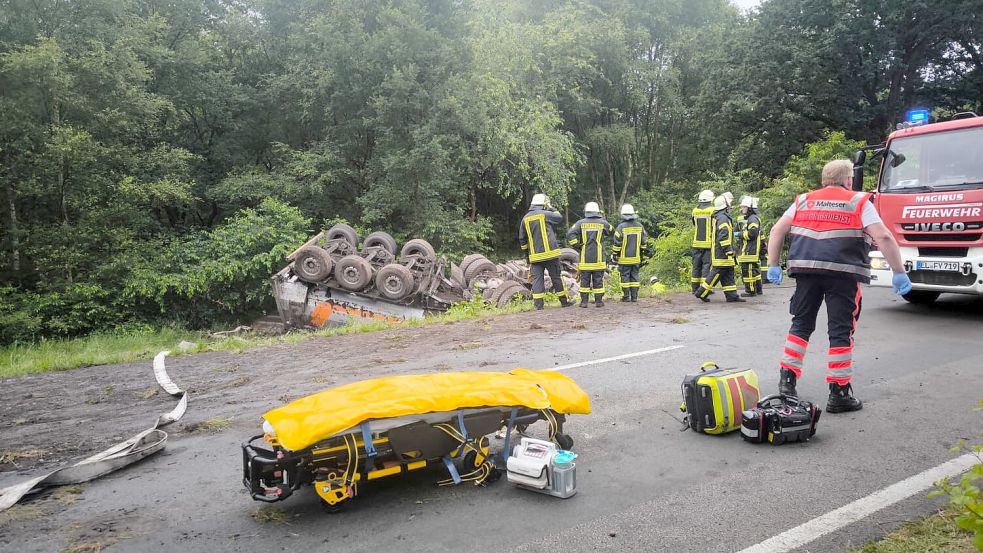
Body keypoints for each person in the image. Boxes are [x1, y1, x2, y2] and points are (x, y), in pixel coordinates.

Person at [767, 160, 912, 413]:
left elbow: (777, 230)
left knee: (800, 324)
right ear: (848, 180)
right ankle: (839, 393)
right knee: (840, 332)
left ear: (824, 180)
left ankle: (787, 382)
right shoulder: (858, 201)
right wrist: (899, 272)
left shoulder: (804, 200)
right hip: (843, 275)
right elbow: (884, 236)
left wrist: (773, 264)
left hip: (806, 272)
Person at [519, 193, 573, 310]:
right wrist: (551, 207)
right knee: (556, 277)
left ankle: (539, 306)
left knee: (537, 280)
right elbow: (559, 217)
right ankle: (564, 302)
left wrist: (527, 256)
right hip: (551, 254)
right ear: (543, 204)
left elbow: (522, 240)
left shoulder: (525, 218)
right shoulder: (545, 214)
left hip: (535, 257)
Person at [695, 194, 746, 303]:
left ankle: (732, 295)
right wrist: (728, 250)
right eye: (729, 203)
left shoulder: (721, 216)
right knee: (716, 274)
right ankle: (701, 292)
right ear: (725, 205)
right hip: (722, 254)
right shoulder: (723, 218)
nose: (731, 205)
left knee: (728, 274)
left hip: (722, 253)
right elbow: (723, 236)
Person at [567, 202, 615, 307]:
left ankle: (584, 302)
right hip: (599, 259)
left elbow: (570, 233)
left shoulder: (580, 223)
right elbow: (612, 230)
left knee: (585, 281)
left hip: (585, 259)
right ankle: (598, 302)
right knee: (598, 281)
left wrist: (576, 245)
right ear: (597, 211)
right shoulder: (603, 223)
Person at [612, 203, 648, 303]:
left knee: (625, 277)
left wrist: (615, 255)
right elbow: (644, 243)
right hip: (636, 258)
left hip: (624, 259)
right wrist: (641, 255)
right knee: (635, 277)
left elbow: (617, 244)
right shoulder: (640, 226)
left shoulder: (620, 227)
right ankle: (635, 297)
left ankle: (626, 297)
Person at [690, 190, 716, 294]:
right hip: (708, 243)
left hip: (696, 243)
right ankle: (705, 289)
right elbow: (715, 226)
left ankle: (694, 288)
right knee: (706, 266)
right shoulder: (713, 210)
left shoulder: (694, 210)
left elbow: (694, 224)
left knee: (696, 266)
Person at [737, 196, 762, 297]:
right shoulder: (751, 218)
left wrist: (740, 234)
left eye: (744, 207)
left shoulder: (753, 219)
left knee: (749, 271)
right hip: (749, 249)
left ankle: (750, 291)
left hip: (750, 250)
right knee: (754, 270)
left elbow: (753, 233)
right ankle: (758, 289)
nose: (742, 209)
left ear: (750, 208)